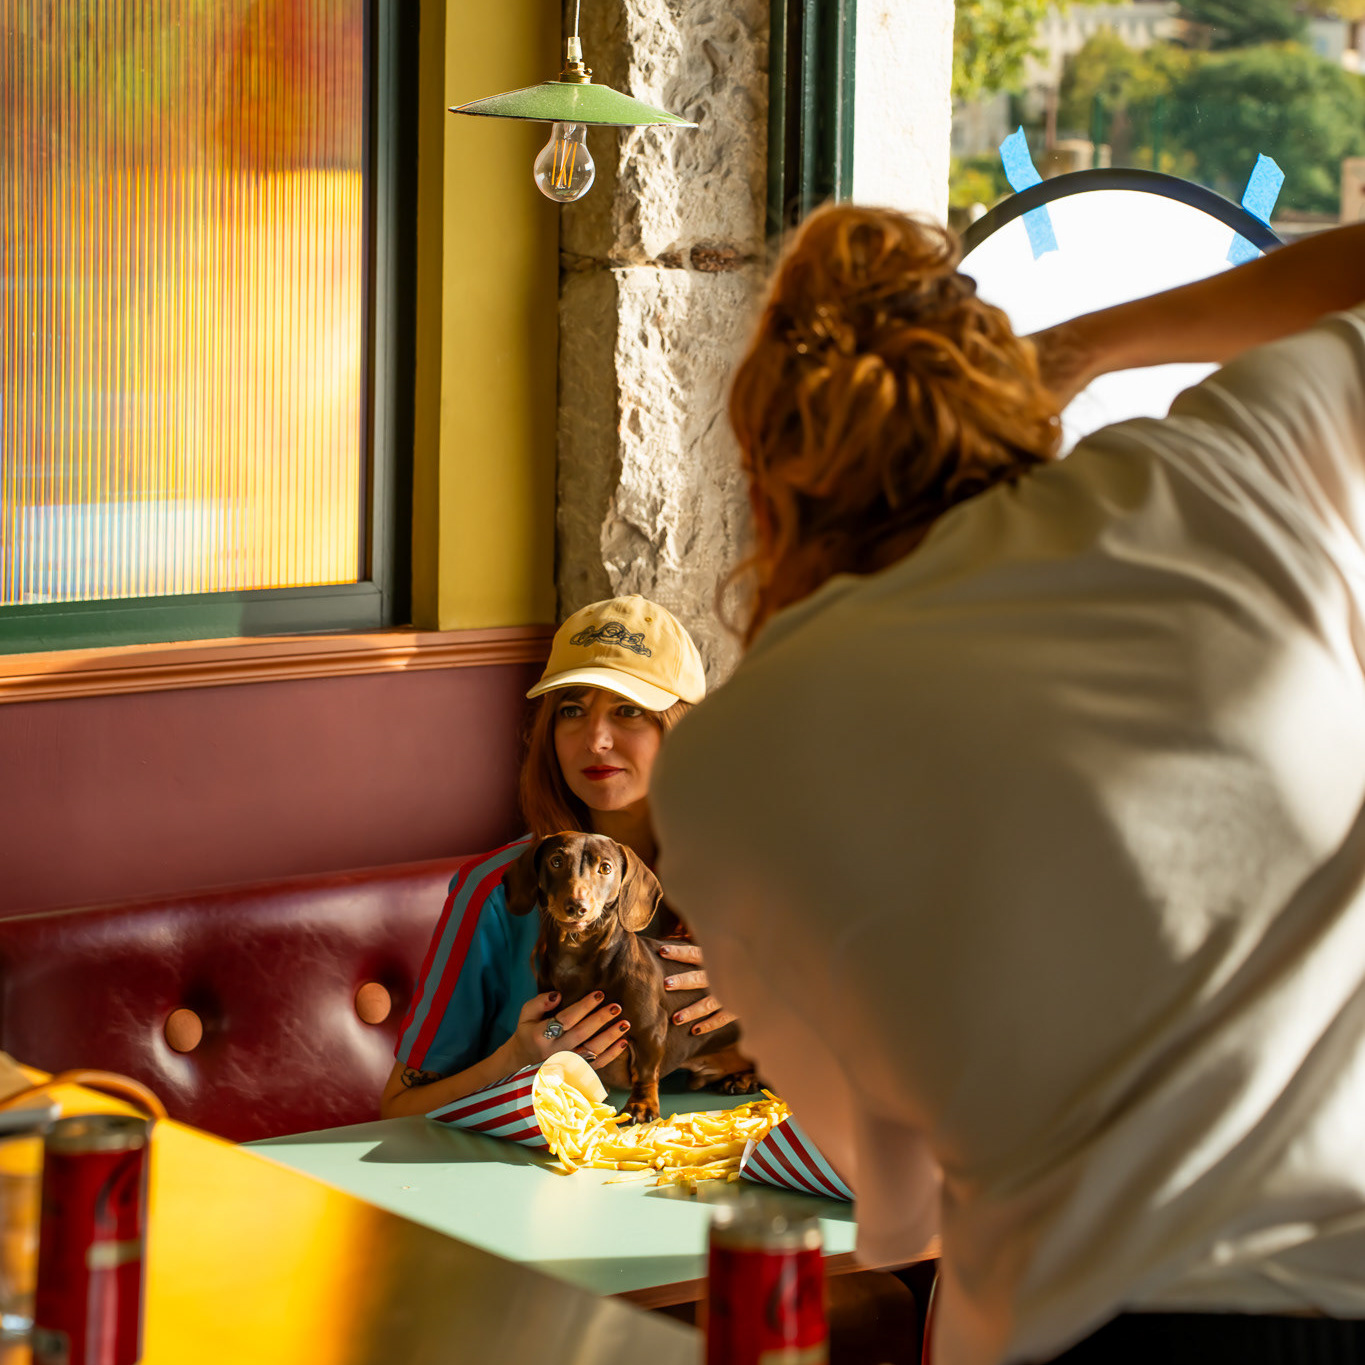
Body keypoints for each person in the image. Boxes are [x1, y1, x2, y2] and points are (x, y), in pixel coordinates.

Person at [650, 205, 1365, 1365]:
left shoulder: (730, 761)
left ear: (769, 480)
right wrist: (1089, 343)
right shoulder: (1221, 480)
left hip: (1077, 1326)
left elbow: (904, 1199)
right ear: (1003, 385)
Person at [380, 594, 736, 1120]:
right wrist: (517, 1059)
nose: (596, 739)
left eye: (628, 710)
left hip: (726, 1160)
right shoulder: (494, 892)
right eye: (572, 710)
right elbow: (399, 1109)